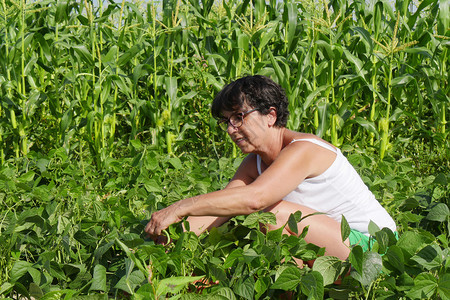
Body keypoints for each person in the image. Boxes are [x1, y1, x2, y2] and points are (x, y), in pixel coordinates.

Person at [144, 75, 396, 262]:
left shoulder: (304, 149)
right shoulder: (253, 163)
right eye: (226, 121)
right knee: (250, 225)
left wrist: (180, 207)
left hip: (376, 248)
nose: (231, 129)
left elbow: (255, 199)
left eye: (238, 117)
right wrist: (168, 240)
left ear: (271, 115)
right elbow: (222, 209)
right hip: (333, 246)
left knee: (271, 215)